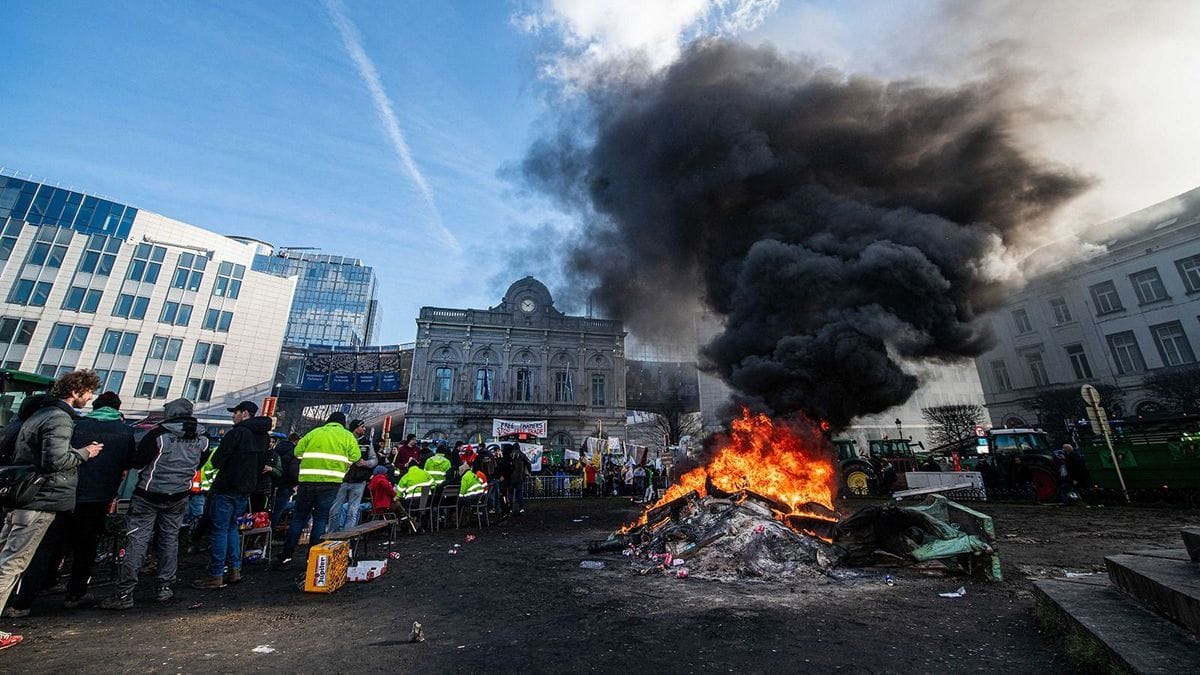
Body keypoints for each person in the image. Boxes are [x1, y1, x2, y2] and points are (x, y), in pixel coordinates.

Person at [7, 392, 145, 615]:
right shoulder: (125, 432)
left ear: (95, 406)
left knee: (47, 545)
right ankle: (76, 593)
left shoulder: (76, 425)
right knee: (86, 547)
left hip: (64, 492)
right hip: (99, 497)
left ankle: (26, 598)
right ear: (118, 409)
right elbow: (132, 461)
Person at [0, 369, 102, 649]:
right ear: (76, 391)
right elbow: (54, 461)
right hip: (39, 498)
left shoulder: (35, 416)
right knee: (12, 563)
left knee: (6, 557)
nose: (90, 397)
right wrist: (85, 453)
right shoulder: (59, 418)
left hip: (22, 497)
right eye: (88, 392)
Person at [100, 398, 208, 609]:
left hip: (149, 494)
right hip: (179, 495)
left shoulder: (159, 434)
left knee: (137, 540)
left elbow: (138, 461)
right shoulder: (202, 438)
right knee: (169, 540)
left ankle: (124, 593)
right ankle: (164, 586)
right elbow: (200, 463)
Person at [193, 401, 271, 589]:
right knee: (232, 528)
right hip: (246, 489)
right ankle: (235, 569)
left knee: (219, 530)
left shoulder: (236, 433)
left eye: (235, 413)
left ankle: (216, 574)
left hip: (227, 487)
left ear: (244, 413)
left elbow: (218, 461)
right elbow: (262, 464)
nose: (232, 416)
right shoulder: (263, 437)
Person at [277, 412, 360, 568]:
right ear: (343, 423)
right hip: (330, 483)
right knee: (320, 519)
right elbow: (356, 456)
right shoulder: (347, 436)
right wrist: (344, 464)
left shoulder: (314, 433)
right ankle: (313, 557)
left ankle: (286, 555)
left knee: (298, 518)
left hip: (307, 482)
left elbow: (297, 452)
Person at [326, 419, 377, 533]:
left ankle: (348, 536)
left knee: (352, 511)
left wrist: (365, 463)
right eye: (362, 426)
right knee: (335, 509)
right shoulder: (344, 439)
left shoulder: (367, 443)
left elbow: (374, 460)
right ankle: (331, 534)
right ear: (355, 428)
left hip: (359, 480)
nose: (364, 429)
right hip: (342, 479)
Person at [271, 432, 300, 529]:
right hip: (286, 484)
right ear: (296, 441)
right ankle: (272, 530)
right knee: (280, 508)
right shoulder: (294, 451)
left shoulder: (277, 448)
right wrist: (294, 484)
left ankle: (264, 531)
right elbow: (293, 471)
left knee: (271, 508)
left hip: (272, 482)